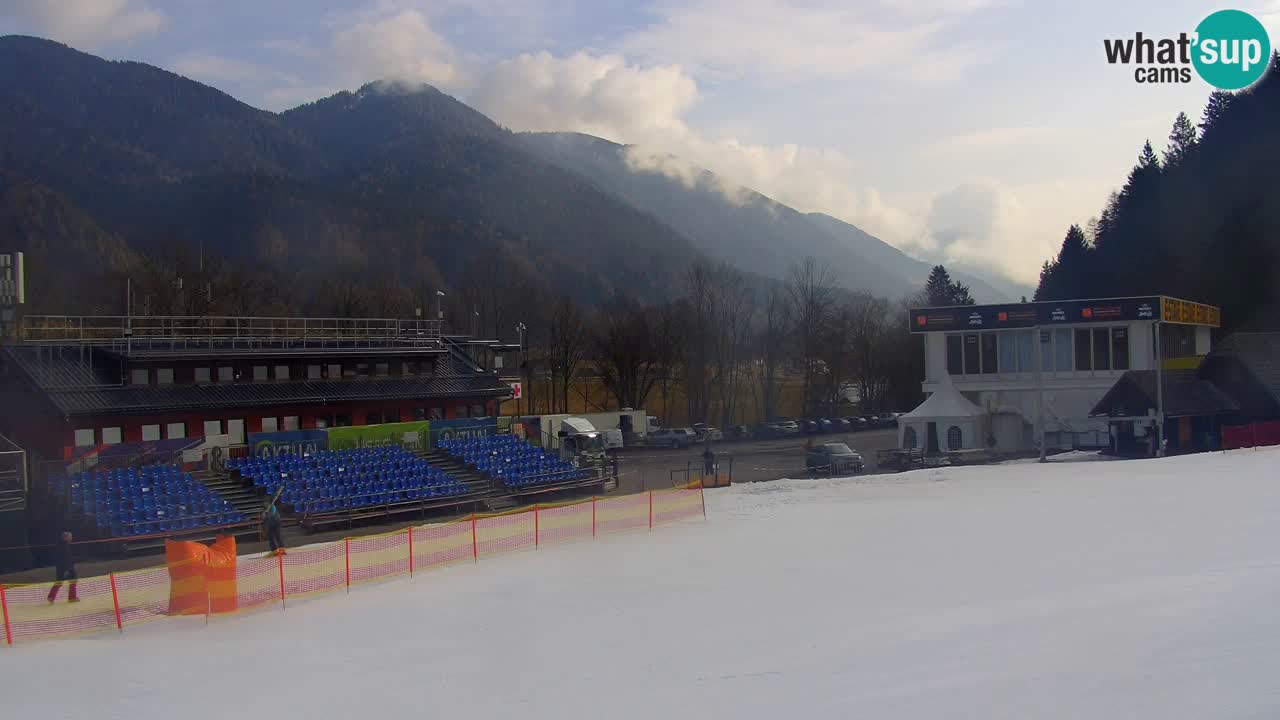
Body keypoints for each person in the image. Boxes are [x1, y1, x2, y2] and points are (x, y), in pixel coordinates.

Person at [47, 530, 78, 604]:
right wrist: (68, 569)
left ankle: (51, 596)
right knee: (73, 580)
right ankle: (72, 598)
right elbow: (66, 558)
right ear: (66, 537)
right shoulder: (65, 546)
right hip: (66, 567)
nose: (71, 538)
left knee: (59, 581)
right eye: (70, 537)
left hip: (60, 567)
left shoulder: (61, 544)